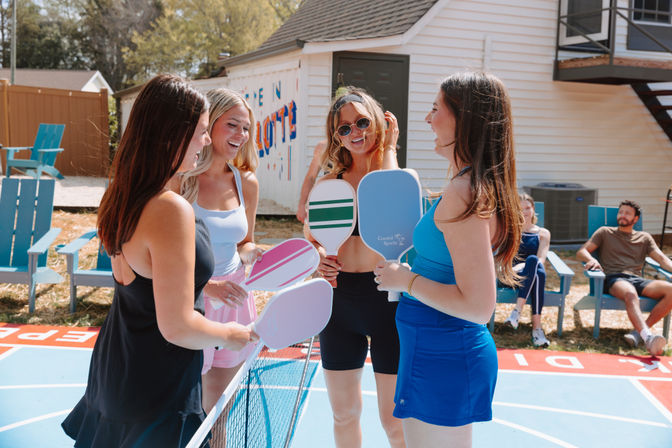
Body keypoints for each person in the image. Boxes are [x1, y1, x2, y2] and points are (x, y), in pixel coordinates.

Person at [61, 74, 257, 448]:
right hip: (157, 386)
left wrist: (206, 286)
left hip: (115, 371)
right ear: (173, 134)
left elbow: (146, 282)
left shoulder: (123, 194)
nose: (204, 141)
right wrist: (234, 336)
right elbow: (177, 327)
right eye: (201, 131)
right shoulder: (170, 210)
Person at [373, 72, 522, 448]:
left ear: (464, 118)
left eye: (436, 108)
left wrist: (404, 281)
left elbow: (478, 305)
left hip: (444, 354)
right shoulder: (469, 186)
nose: (427, 118)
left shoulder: (463, 193)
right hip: (435, 349)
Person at [305, 87, 404, 448]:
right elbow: (311, 239)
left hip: (389, 302)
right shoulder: (330, 184)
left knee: (395, 421)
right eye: (344, 128)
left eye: (362, 121)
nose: (355, 132)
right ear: (336, 137)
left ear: (379, 121)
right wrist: (318, 258)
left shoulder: (397, 175)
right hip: (339, 302)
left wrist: (390, 150)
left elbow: (394, 210)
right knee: (344, 414)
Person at [180, 88, 262, 414]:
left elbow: (246, 241)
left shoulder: (247, 182)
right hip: (192, 303)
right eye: (232, 125)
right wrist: (207, 287)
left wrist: (251, 253)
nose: (241, 135)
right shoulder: (181, 181)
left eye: (246, 128)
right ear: (208, 124)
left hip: (235, 302)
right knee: (188, 407)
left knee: (220, 410)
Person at [576, 200, 672, 356]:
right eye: (621, 212)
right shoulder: (605, 232)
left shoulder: (644, 238)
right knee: (630, 293)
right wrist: (591, 259)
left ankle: (637, 333)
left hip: (637, 279)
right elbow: (582, 252)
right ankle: (648, 338)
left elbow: (661, 259)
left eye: (627, 213)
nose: (622, 215)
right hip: (615, 279)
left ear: (636, 219)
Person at [504, 193, 552, 347]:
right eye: (520, 208)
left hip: (531, 275)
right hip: (513, 277)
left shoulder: (543, 233)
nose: (524, 211)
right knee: (537, 271)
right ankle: (537, 329)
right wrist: (516, 267)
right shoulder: (511, 230)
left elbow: (541, 260)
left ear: (533, 210)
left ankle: (517, 312)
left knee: (535, 267)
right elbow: (503, 257)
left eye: (527, 208)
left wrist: (523, 265)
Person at [296, 139, 327, 223]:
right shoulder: (324, 147)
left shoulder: (360, 145)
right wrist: (302, 205)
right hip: (329, 202)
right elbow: (311, 177)